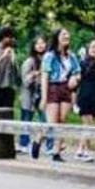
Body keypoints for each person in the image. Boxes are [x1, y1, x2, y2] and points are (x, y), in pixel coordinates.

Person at [39, 28, 82, 161]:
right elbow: (44, 76)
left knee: (62, 121)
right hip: (52, 87)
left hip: (65, 87)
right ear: (57, 37)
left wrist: (75, 78)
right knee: (52, 123)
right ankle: (38, 139)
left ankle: (56, 152)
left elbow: (78, 71)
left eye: (67, 35)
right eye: (63, 34)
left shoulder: (72, 56)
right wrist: (44, 97)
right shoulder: (49, 56)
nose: (66, 36)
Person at [0, 29, 20, 141]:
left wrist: (13, 59)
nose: (11, 39)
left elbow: (16, 70)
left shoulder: (13, 51)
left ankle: (6, 141)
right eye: (9, 37)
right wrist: (3, 57)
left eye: (12, 37)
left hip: (9, 87)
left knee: (8, 115)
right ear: (2, 38)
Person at [18, 35, 48, 153]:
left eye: (42, 43)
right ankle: (23, 144)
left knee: (45, 119)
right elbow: (25, 81)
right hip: (29, 94)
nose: (40, 46)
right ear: (34, 46)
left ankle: (47, 145)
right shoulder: (29, 61)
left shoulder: (48, 58)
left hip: (43, 93)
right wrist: (35, 74)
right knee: (26, 118)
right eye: (37, 44)